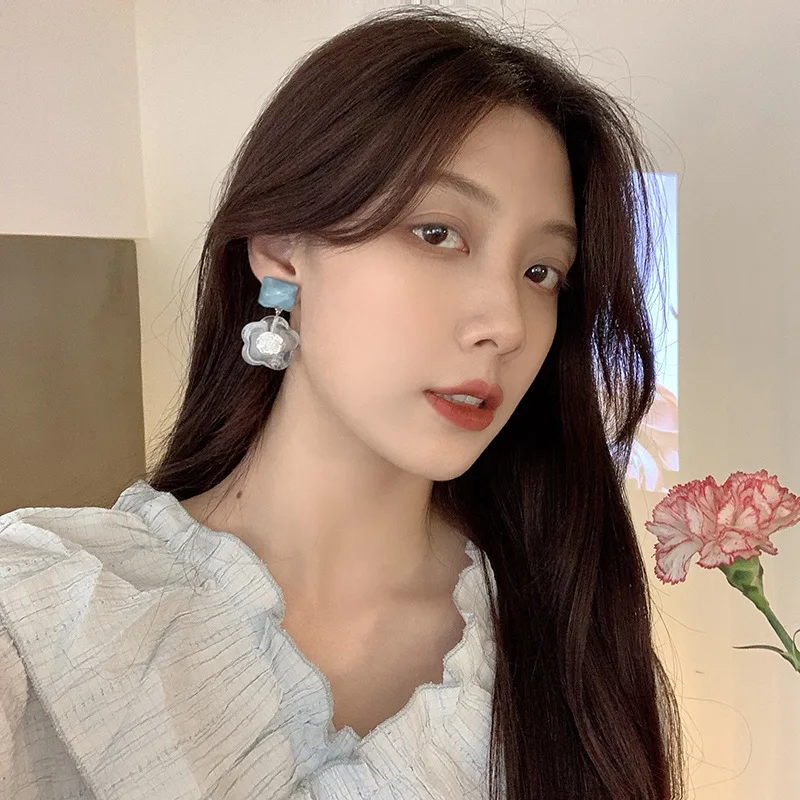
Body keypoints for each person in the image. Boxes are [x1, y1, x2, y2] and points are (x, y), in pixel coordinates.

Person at [0, 6, 685, 799]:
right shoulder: (40, 613)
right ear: (282, 253)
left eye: (541, 273)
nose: (506, 324)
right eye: (438, 233)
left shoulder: (572, 646)